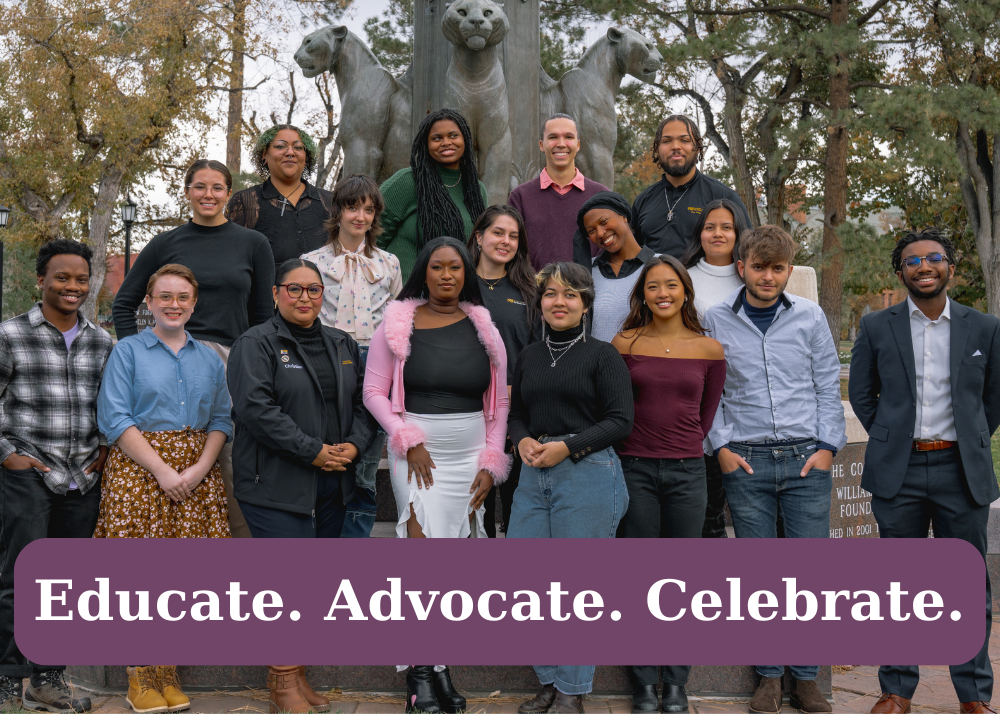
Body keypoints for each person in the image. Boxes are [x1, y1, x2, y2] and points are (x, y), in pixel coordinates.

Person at [849, 229, 1000, 714]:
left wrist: (972, 436)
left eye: (935, 258)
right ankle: (896, 690)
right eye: (914, 261)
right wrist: (894, 436)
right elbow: (861, 393)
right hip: (900, 472)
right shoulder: (877, 326)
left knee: (969, 586)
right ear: (901, 272)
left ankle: (974, 695)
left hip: (962, 470)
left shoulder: (985, 327)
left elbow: (993, 399)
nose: (925, 266)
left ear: (950, 267)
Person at [362, 237, 510, 714]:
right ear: (423, 272)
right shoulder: (397, 321)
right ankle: (419, 675)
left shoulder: (484, 325)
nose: (447, 275)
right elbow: (373, 392)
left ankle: (439, 666)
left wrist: (492, 460)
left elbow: (501, 401)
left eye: (456, 268)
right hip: (417, 450)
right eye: (438, 268)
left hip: (469, 449)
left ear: (466, 273)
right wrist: (407, 437)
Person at [703, 226, 844, 714]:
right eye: (758, 267)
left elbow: (827, 384)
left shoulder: (809, 316)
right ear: (741, 267)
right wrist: (720, 446)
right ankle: (767, 675)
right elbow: (709, 390)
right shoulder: (716, 319)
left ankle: (805, 677)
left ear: (788, 270)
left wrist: (828, 447)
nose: (767, 276)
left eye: (777, 268)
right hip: (747, 459)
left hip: (806, 458)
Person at [228, 259, 375, 714]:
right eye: (295, 289)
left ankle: (298, 675)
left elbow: (365, 403)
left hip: (332, 482)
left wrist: (352, 445)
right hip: (274, 482)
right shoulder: (255, 344)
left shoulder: (342, 342)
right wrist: (311, 449)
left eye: (314, 289)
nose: (306, 297)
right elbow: (256, 409)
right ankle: (281, 684)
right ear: (276, 293)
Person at [112, 158, 274, 539]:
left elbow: (264, 317)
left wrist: (258, 368)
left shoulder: (253, 244)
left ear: (228, 194)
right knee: (171, 451)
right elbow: (124, 303)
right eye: (199, 187)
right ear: (187, 192)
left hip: (232, 361)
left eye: (217, 188)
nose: (208, 195)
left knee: (232, 459)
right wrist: (136, 352)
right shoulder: (166, 243)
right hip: (168, 357)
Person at [97, 264, 233, 713]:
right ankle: (140, 675)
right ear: (149, 302)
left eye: (183, 298)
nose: (174, 305)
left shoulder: (209, 357)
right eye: (165, 297)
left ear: (194, 304)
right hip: (140, 471)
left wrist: (198, 469)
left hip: (197, 472)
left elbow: (221, 419)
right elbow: (115, 418)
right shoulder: (128, 352)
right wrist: (161, 471)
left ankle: (167, 671)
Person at [507, 262, 633, 714]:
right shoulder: (530, 355)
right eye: (551, 294)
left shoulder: (603, 356)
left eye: (571, 295)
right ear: (539, 303)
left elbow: (621, 421)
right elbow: (518, 411)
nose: (559, 302)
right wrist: (520, 438)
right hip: (533, 471)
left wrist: (569, 446)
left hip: (588, 472)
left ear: (585, 305)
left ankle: (572, 690)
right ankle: (550, 680)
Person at [0, 239, 113, 713]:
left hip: (82, 478)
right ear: (40, 280)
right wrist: (6, 454)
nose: (72, 286)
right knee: (17, 578)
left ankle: (49, 679)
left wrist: (105, 450)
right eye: (62, 277)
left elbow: (111, 406)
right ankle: (8, 682)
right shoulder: (9, 335)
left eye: (81, 279)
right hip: (26, 473)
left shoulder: (103, 341)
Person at [611, 256, 725, 714]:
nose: (663, 293)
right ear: (642, 294)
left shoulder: (709, 350)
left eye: (672, 285)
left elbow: (706, 417)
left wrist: (682, 447)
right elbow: (617, 408)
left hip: (687, 473)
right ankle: (642, 685)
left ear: (685, 292)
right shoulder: (624, 344)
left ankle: (675, 684)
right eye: (653, 285)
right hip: (633, 469)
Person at [302, 174, 402, 538]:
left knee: (366, 459)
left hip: (375, 363)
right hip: (327, 359)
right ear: (338, 211)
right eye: (352, 207)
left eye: (368, 209)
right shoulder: (311, 261)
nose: (360, 216)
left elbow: (396, 319)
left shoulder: (388, 263)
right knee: (329, 449)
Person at [681, 198, 751, 540]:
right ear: (700, 233)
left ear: (739, 233)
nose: (718, 234)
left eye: (727, 227)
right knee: (708, 516)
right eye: (710, 227)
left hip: (746, 403)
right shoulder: (685, 278)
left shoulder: (752, 277)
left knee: (753, 515)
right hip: (699, 404)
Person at [467, 204, 537, 535]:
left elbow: (536, 353)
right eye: (498, 232)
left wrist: (520, 407)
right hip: (465, 408)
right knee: (472, 506)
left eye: (513, 235)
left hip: (516, 411)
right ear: (479, 237)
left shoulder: (529, 291)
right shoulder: (458, 285)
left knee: (518, 507)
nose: (506, 241)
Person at [378, 109, 488, 281]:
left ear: (465, 140)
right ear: (426, 144)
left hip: (455, 297)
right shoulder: (407, 182)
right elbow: (371, 235)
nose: (446, 142)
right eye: (437, 138)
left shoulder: (476, 190)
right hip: (405, 294)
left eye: (453, 136)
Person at [630, 115, 752, 259]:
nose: (675, 146)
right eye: (667, 141)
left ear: (698, 148)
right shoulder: (643, 200)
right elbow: (632, 253)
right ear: (657, 149)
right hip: (652, 280)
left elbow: (748, 252)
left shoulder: (724, 196)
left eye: (685, 140)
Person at [508, 113, 608, 269]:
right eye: (553, 137)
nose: (561, 144)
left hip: (588, 291)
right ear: (542, 145)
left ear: (578, 144)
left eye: (568, 137)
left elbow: (608, 252)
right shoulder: (520, 197)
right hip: (535, 292)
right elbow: (514, 252)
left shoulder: (601, 196)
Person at [227, 124, 333, 270]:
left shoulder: (330, 201)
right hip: (265, 292)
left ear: (307, 157)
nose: (290, 152)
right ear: (264, 155)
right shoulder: (245, 202)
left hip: (322, 292)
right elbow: (232, 260)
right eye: (280, 146)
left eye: (298, 147)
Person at [575, 192, 655, 342]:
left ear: (624, 216)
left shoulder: (660, 266)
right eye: (591, 231)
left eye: (604, 221)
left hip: (644, 362)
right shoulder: (585, 273)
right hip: (596, 364)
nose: (600, 233)